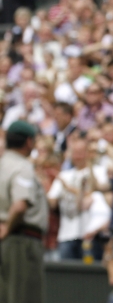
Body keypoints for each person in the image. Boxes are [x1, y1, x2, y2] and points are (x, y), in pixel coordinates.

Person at [0, 120, 48, 303]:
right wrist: (7, 228)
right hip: (21, 242)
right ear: (29, 141)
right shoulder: (22, 167)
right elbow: (20, 205)